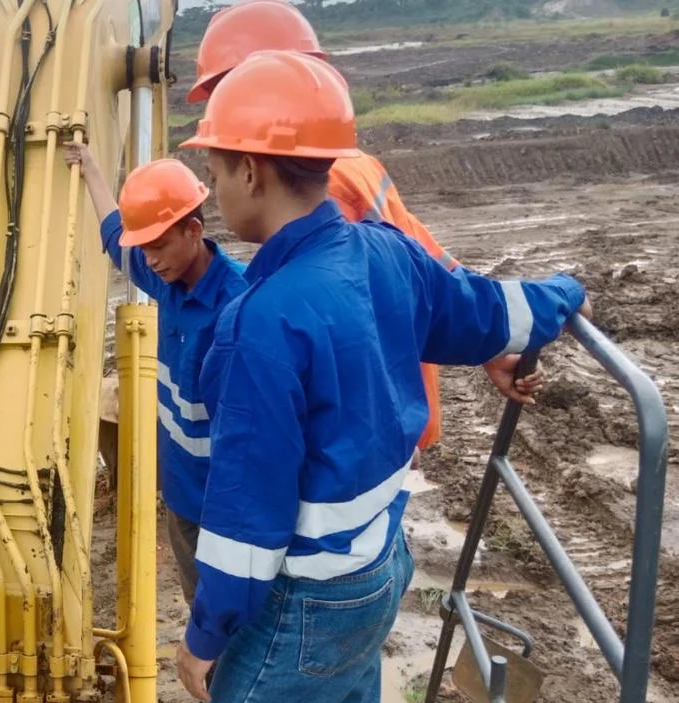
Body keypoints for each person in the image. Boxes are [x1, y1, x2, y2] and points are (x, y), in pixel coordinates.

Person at [173, 50, 590, 703]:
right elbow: (485, 313)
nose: (214, 190)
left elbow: (248, 516)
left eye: (215, 172)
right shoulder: (387, 252)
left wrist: (204, 635)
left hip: (307, 598)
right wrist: (564, 293)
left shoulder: (258, 323)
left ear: (249, 171)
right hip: (380, 565)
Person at [186, 0, 545, 459]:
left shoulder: (314, 194)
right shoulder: (351, 165)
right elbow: (430, 262)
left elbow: (332, 327)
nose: (218, 113)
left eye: (225, 92)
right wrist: (489, 346)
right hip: (395, 405)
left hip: (365, 428)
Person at [66, 148, 247, 605]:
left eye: (158, 246)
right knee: (199, 604)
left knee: (234, 620)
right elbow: (115, 237)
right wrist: (91, 169)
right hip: (182, 495)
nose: (150, 260)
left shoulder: (240, 305)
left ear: (194, 230)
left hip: (228, 510)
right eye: (144, 248)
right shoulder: (168, 280)